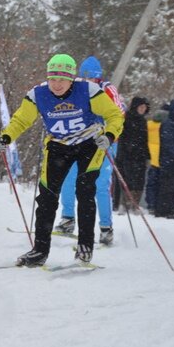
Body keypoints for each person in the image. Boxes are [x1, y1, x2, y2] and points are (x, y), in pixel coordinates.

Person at [0, 54, 124, 267]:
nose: (57, 84)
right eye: (52, 79)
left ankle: (85, 247)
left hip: (89, 144)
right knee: (47, 197)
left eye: (62, 79)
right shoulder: (37, 94)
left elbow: (114, 115)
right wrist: (6, 137)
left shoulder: (89, 90)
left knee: (85, 190)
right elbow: (21, 120)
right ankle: (39, 251)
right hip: (58, 145)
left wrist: (109, 135)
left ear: (72, 78)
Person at [53, 56, 125, 245]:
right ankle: (67, 219)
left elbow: (119, 114)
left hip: (104, 142)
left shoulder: (107, 89)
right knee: (68, 178)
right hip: (80, 140)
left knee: (100, 184)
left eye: (92, 78)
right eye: (85, 78)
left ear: (98, 78)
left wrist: (108, 133)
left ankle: (106, 228)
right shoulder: (75, 88)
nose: (88, 82)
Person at [112, 96, 150, 213]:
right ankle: (124, 204)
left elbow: (144, 139)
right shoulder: (126, 118)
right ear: (135, 107)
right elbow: (122, 138)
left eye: (144, 107)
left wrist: (146, 154)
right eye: (141, 107)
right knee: (127, 179)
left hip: (140, 156)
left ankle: (135, 204)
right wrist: (123, 154)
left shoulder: (143, 120)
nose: (143, 109)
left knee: (139, 181)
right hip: (127, 155)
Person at [153, 99, 174, 218]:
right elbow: (168, 144)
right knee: (167, 187)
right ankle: (163, 211)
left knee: (173, 187)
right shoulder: (168, 124)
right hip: (169, 162)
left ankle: (169, 209)